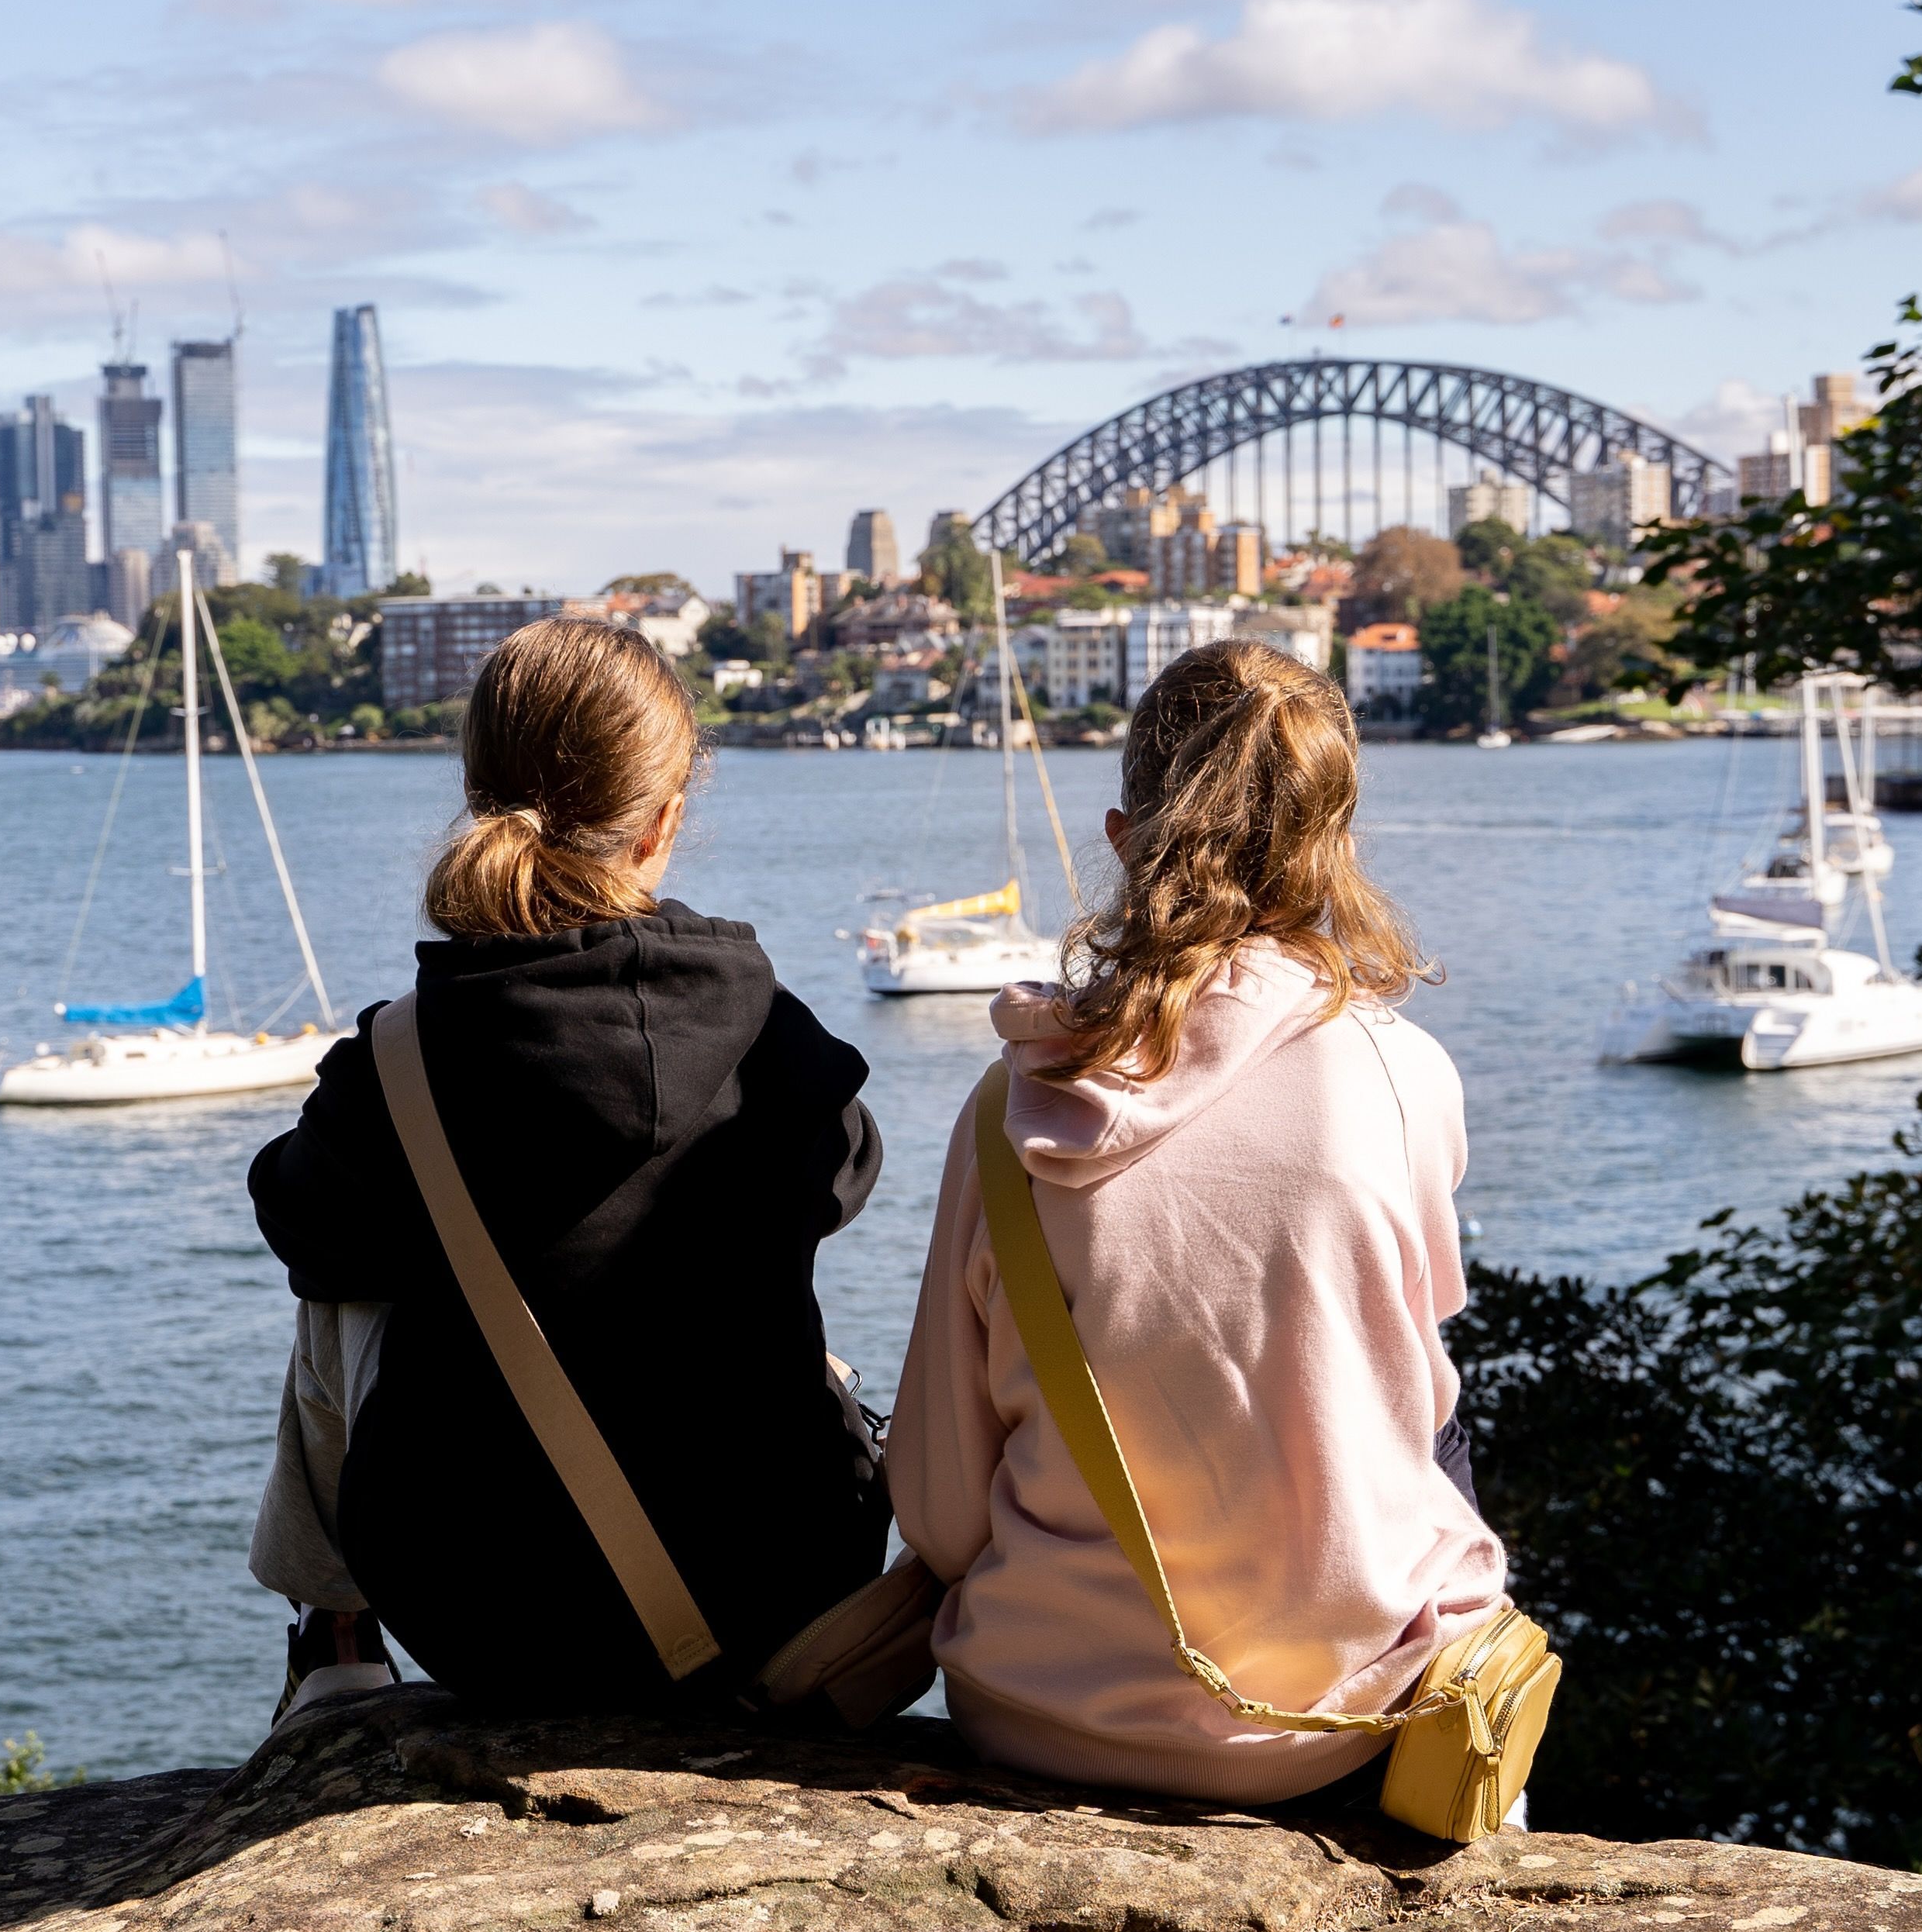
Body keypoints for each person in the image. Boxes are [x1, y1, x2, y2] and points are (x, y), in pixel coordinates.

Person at [885, 639, 1507, 1799]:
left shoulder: (1012, 1112)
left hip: (1034, 1712)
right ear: (1337, 853)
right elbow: (1408, 1406)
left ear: (1123, 843)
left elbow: (939, 1512)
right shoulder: (1400, 1075)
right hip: (1333, 1727)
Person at [244, 615, 889, 1724]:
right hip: (781, 1589)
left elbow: (295, 1215)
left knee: (341, 1289)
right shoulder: (768, 1031)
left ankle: (337, 1642)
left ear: (476, 792)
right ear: (665, 820)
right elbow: (850, 1165)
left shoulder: (402, 1064)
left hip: (492, 1619)